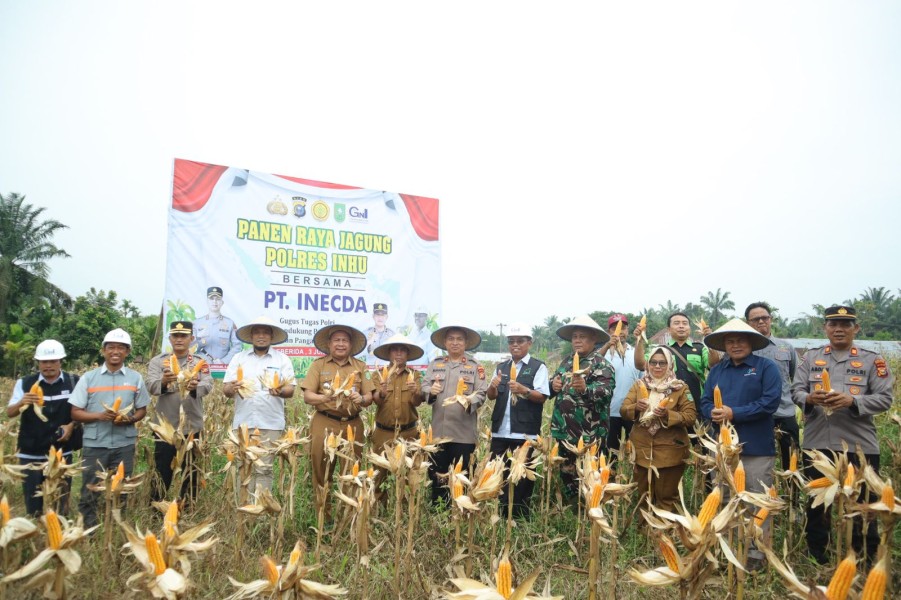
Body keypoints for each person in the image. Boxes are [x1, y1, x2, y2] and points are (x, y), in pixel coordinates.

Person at [790, 305, 893, 565]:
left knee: (863, 505)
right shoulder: (811, 358)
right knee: (818, 505)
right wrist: (809, 398)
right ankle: (818, 556)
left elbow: (885, 398)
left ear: (856, 328)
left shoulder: (872, 360)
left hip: (859, 445)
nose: (839, 329)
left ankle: (864, 557)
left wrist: (853, 401)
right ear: (825, 328)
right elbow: (796, 391)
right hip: (818, 444)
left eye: (845, 324)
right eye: (833, 324)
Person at [699, 318, 781, 571]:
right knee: (724, 498)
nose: (735, 345)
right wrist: (711, 412)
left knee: (756, 499)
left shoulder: (766, 368)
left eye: (741, 340)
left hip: (756, 446)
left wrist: (734, 413)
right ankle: (729, 549)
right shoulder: (717, 371)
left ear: (751, 343)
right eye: (730, 341)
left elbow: (770, 402)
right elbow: (705, 401)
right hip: (723, 448)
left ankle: (756, 553)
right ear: (724, 345)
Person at [69, 328, 150, 527]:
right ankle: (88, 530)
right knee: (90, 489)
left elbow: (142, 410)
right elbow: (75, 412)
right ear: (103, 350)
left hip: (124, 444)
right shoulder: (88, 378)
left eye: (121, 348)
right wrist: (99, 415)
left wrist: (129, 419)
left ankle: (116, 528)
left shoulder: (135, 378)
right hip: (95, 444)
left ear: (127, 352)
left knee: (121, 489)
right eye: (111, 347)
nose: (115, 351)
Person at [301, 324, 374, 513]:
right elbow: (308, 396)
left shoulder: (360, 366)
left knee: (351, 470)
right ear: (329, 344)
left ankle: (347, 515)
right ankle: (322, 514)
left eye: (345, 340)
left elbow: (369, 397)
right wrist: (324, 398)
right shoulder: (318, 365)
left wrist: (361, 398)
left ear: (350, 344)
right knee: (321, 468)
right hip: (324, 422)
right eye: (337, 340)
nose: (340, 344)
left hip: (352, 424)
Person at [6, 340, 80, 516]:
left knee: (61, 504)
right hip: (31, 452)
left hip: (61, 452)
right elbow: (10, 412)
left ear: (61, 361)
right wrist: (22, 402)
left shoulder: (73, 382)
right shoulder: (25, 383)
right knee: (33, 506)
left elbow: (82, 412)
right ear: (38, 363)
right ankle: (37, 528)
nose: (48, 366)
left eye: (53, 361)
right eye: (44, 362)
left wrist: (71, 426)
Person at [222, 316, 296, 493]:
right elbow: (226, 389)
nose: (261, 336)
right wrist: (232, 388)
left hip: (270, 423)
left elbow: (291, 389)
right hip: (243, 423)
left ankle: (261, 508)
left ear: (271, 336)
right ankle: (244, 507)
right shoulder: (239, 359)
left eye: (265, 333)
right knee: (243, 468)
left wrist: (280, 390)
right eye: (257, 332)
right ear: (251, 336)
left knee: (264, 469)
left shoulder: (282, 360)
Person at [620, 345, 695, 512]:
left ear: (670, 365)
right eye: (653, 362)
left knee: (666, 497)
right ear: (647, 365)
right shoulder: (639, 385)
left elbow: (690, 417)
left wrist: (668, 415)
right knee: (643, 496)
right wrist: (635, 407)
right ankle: (644, 526)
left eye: (662, 363)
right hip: (642, 450)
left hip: (670, 450)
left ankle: (665, 527)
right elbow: (623, 410)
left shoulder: (680, 388)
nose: (657, 366)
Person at [145, 321, 213, 503]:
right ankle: (156, 505)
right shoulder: (158, 361)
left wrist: (195, 387)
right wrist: (163, 381)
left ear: (192, 338)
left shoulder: (199, 362)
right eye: (175, 336)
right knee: (162, 469)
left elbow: (208, 384)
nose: (179, 339)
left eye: (184, 336)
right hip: (165, 427)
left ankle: (187, 506)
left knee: (191, 470)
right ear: (170, 338)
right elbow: (150, 385)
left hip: (191, 426)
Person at [486, 323, 549, 518]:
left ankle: (519, 517)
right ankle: (500, 514)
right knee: (499, 473)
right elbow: (491, 396)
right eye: (511, 341)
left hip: (525, 433)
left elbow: (542, 397)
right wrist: (493, 386)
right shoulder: (501, 367)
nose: (515, 345)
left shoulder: (538, 367)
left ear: (529, 343)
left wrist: (524, 390)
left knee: (522, 477)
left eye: (520, 341)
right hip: (500, 431)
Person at [549, 315, 615, 502]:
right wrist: (553, 385)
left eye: (582, 336)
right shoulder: (566, 362)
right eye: (574, 337)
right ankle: (573, 506)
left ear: (594, 339)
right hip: (564, 430)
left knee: (591, 473)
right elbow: (554, 385)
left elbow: (606, 394)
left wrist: (586, 389)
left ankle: (592, 505)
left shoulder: (601, 364)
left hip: (589, 434)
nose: (577, 340)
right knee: (567, 471)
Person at [422, 325, 487, 505]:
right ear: (445, 342)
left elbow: (482, 393)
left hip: (463, 434)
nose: (455, 342)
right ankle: (439, 511)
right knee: (438, 477)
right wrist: (431, 392)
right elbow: (424, 386)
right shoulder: (436, 364)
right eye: (451, 339)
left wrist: (468, 401)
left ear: (466, 342)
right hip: (438, 433)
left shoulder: (475, 366)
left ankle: (460, 512)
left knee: (461, 479)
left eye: (459, 339)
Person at [369, 334, 424, 502]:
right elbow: (376, 400)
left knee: (408, 474)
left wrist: (415, 392)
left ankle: (406, 509)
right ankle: (379, 507)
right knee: (379, 473)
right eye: (395, 350)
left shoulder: (415, 375)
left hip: (408, 432)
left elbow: (416, 402)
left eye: (402, 350)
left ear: (408, 354)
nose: (398, 354)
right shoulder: (378, 375)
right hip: (383, 432)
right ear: (388, 353)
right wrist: (382, 393)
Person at [745, 302, 799, 469]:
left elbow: (795, 377)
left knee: (791, 461)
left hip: (784, 412)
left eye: (765, 318)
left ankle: (791, 488)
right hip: (752, 414)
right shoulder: (741, 348)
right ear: (748, 323)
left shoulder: (786, 347)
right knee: (755, 461)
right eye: (755, 319)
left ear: (771, 319)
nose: (761, 321)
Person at [634, 312, 719, 413]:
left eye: (685, 323)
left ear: (689, 328)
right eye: (677, 323)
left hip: (697, 404)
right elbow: (640, 365)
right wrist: (639, 339)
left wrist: (710, 341)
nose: (681, 326)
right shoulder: (660, 350)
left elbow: (714, 365)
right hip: (667, 405)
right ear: (669, 329)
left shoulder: (700, 348)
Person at [599, 314, 643, 453]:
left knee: (636, 451)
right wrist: (607, 345)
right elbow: (592, 365)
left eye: (623, 328)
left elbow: (642, 381)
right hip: (609, 411)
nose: (620, 332)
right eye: (615, 328)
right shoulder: (603, 354)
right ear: (609, 332)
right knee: (610, 453)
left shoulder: (636, 353)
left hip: (632, 410)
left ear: (628, 330)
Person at [194, 286, 242, 365]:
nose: (215, 302)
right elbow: (188, 345)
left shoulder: (230, 323)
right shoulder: (197, 323)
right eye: (211, 299)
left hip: (223, 368)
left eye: (218, 299)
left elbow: (237, 346)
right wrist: (196, 338)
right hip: (200, 367)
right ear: (207, 301)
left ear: (222, 302)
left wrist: (224, 361)